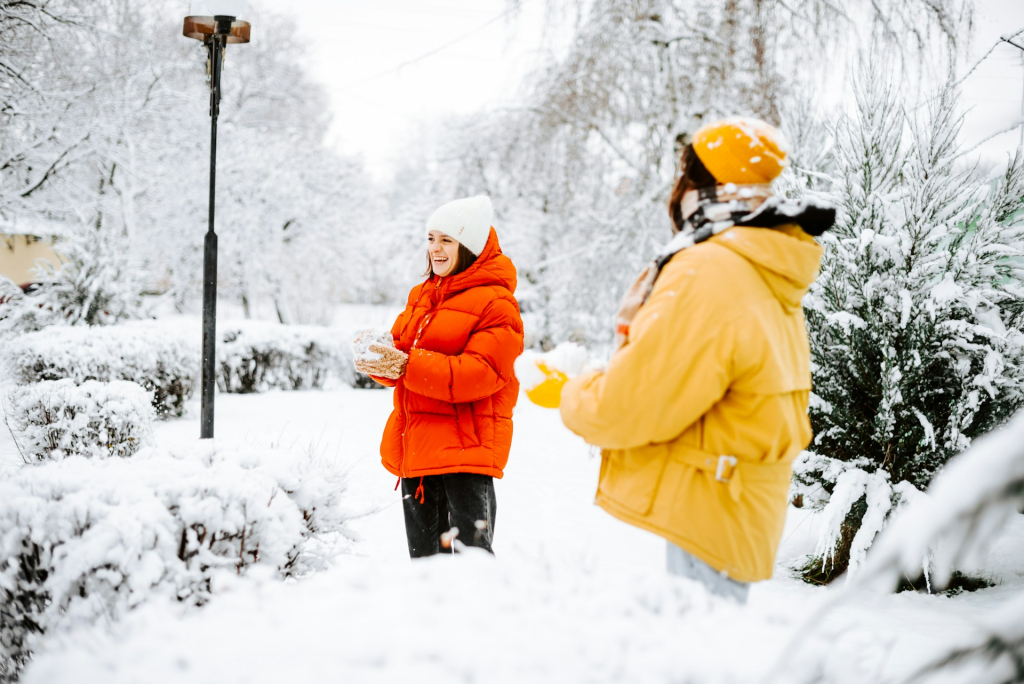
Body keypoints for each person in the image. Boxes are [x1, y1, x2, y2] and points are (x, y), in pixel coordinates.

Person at [536, 118, 834, 601]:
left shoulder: (709, 269)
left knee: (692, 659)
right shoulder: (762, 261)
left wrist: (571, 390)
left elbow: (631, 405)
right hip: (732, 507)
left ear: (703, 188)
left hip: (704, 511)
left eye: (684, 177)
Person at [355, 195, 524, 557]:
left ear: (470, 246)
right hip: (416, 453)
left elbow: (481, 374)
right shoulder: (422, 295)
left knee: (470, 568)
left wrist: (405, 365)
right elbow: (403, 356)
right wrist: (379, 357)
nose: (435, 249)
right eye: (431, 238)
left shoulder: (497, 304)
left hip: (464, 455)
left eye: (447, 240)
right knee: (425, 571)